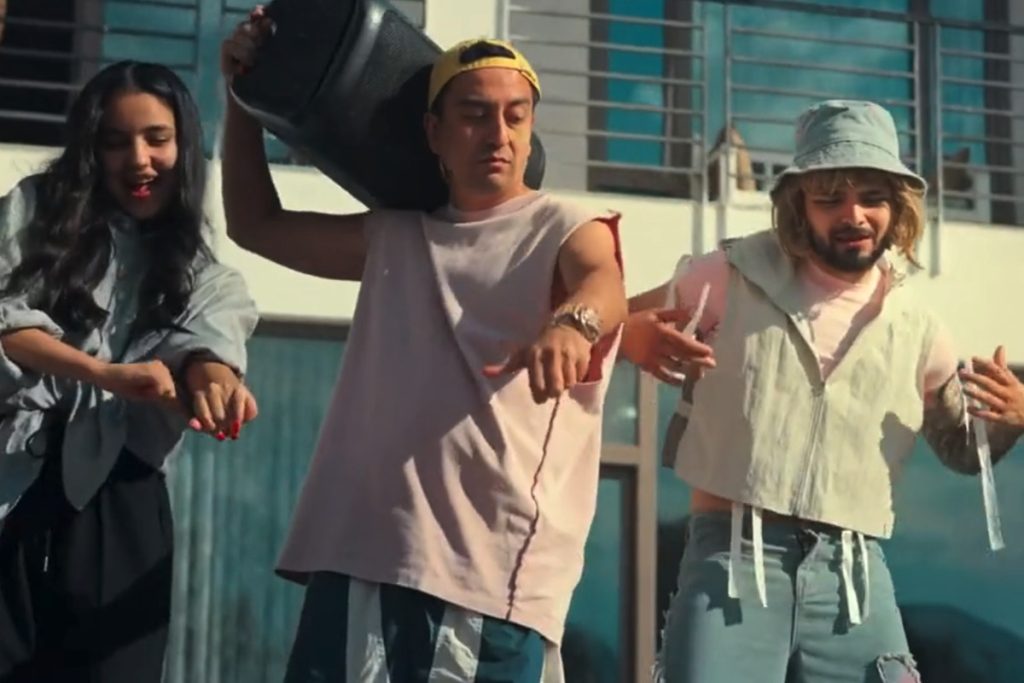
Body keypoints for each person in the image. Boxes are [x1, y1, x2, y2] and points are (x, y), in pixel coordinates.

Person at [221, 10, 628, 682]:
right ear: (434, 133)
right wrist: (242, 97)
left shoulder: (565, 223)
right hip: (357, 559)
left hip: (485, 576)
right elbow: (254, 224)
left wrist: (572, 325)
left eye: (516, 116)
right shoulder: (395, 235)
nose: (498, 134)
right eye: (474, 115)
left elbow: (601, 281)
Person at [620, 99, 1024, 683]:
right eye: (830, 198)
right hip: (733, 559)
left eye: (872, 197)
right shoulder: (728, 275)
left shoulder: (920, 330)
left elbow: (964, 451)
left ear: (897, 206)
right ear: (799, 205)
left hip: (853, 573)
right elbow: (609, 323)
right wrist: (629, 335)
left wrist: (1010, 420)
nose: (853, 214)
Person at [0, 61, 259, 682]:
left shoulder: (205, 273)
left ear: (184, 146)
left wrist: (215, 382)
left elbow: (208, 347)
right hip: (13, 478)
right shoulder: (32, 210)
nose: (138, 160)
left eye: (156, 139)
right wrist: (103, 373)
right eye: (115, 142)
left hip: (123, 501)